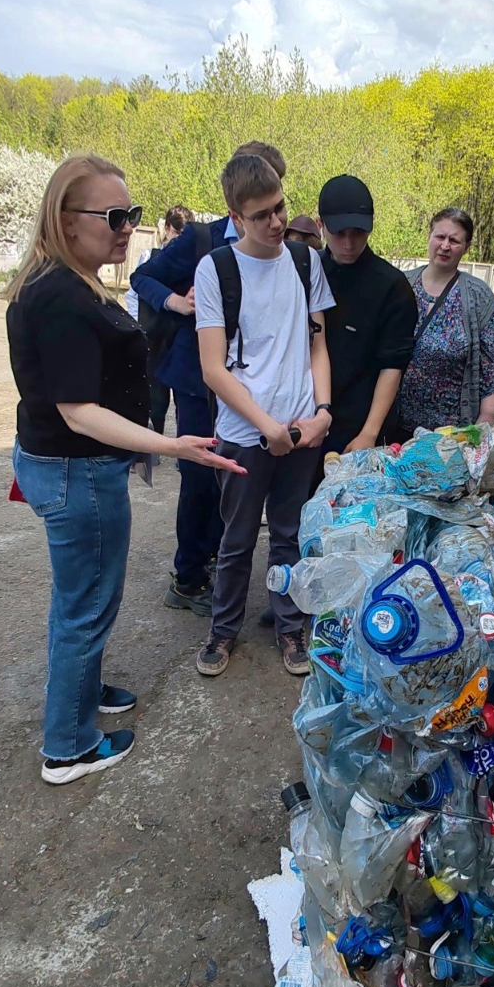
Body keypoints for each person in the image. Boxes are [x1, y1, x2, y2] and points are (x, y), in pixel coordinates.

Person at [5, 154, 243, 785]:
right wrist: (173, 447)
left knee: (80, 599)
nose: (127, 228)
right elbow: (78, 411)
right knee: (87, 605)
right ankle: (70, 746)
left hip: (74, 467)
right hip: (78, 471)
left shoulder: (74, 279)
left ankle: (81, 695)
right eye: (114, 216)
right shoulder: (59, 295)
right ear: (65, 218)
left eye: (132, 215)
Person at [130, 141, 288, 619]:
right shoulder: (201, 240)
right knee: (199, 475)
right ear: (235, 206)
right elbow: (143, 277)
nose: (271, 216)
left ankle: (217, 554)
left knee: (234, 475)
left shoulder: (280, 249)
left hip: (249, 386)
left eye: (277, 198)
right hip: (200, 383)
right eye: (258, 204)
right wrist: (179, 303)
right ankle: (188, 575)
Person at [193, 152, 335, 679]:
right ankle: (222, 630)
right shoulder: (217, 269)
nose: (276, 222)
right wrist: (265, 426)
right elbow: (213, 368)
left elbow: (317, 345)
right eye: (261, 215)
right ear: (235, 218)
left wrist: (321, 411)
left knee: (289, 535)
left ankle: (290, 628)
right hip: (244, 432)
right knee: (235, 541)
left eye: (280, 208)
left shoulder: (305, 261)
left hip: (302, 429)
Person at [316, 174, 415, 453]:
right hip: (308, 418)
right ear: (320, 225)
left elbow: (393, 366)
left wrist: (368, 434)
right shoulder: (307, 271)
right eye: (339, 233)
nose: (348, 244)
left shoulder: (392, 286)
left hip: (360, 427)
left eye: (357, 233)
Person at [399, 208, 494, 436]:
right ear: (429, 236)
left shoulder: (479, 297)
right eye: (440, 237)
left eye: (454, 240)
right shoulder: (401, 285)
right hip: (395, 423)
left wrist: (487, 416)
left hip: (451, 432)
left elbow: (492, 367)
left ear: (466, 247)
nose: (445, 246)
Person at [131, 204, 192, 433]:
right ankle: (155, 437)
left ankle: (182, 438)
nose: (178, 239)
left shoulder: (190, 261)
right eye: (175, 232)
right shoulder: (150, 257)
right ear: (166, 229)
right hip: (153, 333)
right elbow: (135, 291)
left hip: (177, 332)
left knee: (182, 391)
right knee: (155, 391)